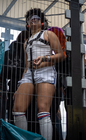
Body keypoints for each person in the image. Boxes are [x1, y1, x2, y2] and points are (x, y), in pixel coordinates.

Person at [12, 8, 65, 140]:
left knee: (43, 109)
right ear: (27, 23)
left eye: (37, 17)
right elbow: (26, 66)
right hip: (29, 73)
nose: (33, 19)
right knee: (17, 108)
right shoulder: (26, 42)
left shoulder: (48, 34)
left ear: (42, 22)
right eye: (30, 18)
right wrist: (20, 85)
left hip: (46, 71)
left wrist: (45, 58)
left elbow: (61, 55)